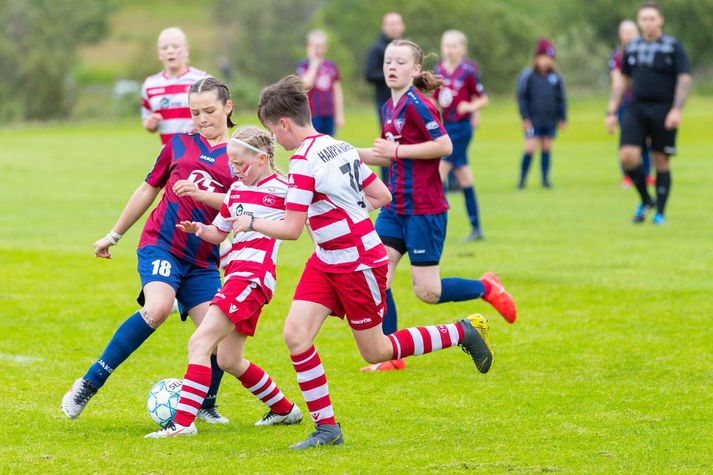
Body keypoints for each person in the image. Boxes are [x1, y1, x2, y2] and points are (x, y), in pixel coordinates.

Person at [229, 74, 494, 450]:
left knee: (377, 350)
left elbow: (290, 229)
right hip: (326, 260)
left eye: (273, 131)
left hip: (358, 264)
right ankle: (327, 429)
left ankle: (462, 331)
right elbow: (381, 194)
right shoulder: (337, 146)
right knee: (296, 335)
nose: (274, 140)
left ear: (284, 124)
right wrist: (349, 210)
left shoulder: (304, 161)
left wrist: (251, 221)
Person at [61, 78, 236, 424]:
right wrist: (113, 235)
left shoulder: (240, 155)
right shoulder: (178, 144)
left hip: (202, 261)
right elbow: (147, 189)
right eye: (195, 112)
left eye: (210, 111)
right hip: (161, 245)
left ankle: (205, 403)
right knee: (157, 308)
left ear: (228, 107)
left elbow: (242, 206)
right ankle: (89, 383)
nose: (201, 119)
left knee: (217, 335)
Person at [358, 40, 516, 372]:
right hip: (395, 206)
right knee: (378, 277)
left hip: (424, 208)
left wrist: (397, 153)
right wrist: (337, 151)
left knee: (427, 292)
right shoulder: (390, 107)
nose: (392, 67)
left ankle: (486, 287)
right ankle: (393, 356)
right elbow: (383, 153)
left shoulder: (418, 104)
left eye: (400, 62)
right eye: (388, 61)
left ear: (415, 69)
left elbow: (444, 145)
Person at [145, 126, 303, 438]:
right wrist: (199, 229)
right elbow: (220, 232)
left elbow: (299, 223)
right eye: (231, 164)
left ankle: (182, 424)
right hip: (235, 277)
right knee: (229, 359)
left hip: (252, 277)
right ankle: (285, 410)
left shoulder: (285, 190)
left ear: (262, 158)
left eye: (240, 164)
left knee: (199, 343)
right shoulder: (236, 191)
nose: (234, 170)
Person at [605, 2, 691, 225]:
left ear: (660, 20)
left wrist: (677, 109)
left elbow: (684, 78)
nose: (648, 22)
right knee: (628, 156)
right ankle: (645, 199)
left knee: (661, 159)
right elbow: (622, 80)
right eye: (643, 19)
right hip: (636, 107)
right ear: (639, 21)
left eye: (652, 18)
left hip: (663, 109)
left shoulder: (673, 47)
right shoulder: (631, 48)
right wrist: (611, 111)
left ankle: (660, 212)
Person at [433, 30, 489, 242]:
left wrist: (470, 106)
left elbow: (483, 99)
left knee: (438, 174)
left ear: (462, 49)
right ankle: (476, 228)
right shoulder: (438, 70)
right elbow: (437, 100)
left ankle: (437, 225)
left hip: (461, 129)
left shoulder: (468, 72)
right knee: (465, 177)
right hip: (446, 128)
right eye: (446, 45)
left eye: (454, 46)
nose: (450, 50)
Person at [141, 27, 209, 144]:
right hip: (169, 155)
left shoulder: (202, 80)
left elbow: (219, 115)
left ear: (186, 50)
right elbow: (147, 118)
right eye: (164, 47)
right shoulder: (150, 84)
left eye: (176, 46)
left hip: (200, 152)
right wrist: (150, 124)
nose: (170, 51)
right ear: (159, 53)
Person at [516, 38, 567, 189]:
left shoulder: (556, 77)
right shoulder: (528, 76)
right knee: (530, 148)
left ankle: (545, 180)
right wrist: (525, 118)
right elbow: (522, 98)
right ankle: (522, 180)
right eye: (543, 58)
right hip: (533, 120)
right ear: (536, 58)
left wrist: (562, 118)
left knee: (546, 148)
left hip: (549, 120)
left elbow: (561, 99)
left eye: (549, 59)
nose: (546, 62)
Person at [608, 20, 653, 188]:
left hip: (645, 101)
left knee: (647, 141)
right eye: (626, 32)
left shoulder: (647, 52)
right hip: (626, 102)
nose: (629, 35)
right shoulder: (617, 56)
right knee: (627, 141)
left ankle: (647, 175)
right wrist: (611, 109)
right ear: (621, 34)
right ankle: (627, 176)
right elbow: (617, 81)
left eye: (632, 32)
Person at [365, 12, 405, 181]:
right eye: (390, 23)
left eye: (396, 23)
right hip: (385, 102)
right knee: (389, 141)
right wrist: (393, 74)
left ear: (403, 26)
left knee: (406, 140)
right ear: (384, 26)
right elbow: (369, 74)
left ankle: (403, 178)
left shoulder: (407, 48)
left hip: (405, 101)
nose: (394, 27)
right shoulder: (377, 49)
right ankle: (389, 183)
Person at [296, 30, 345, 136]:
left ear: (326, 47)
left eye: (320, 46)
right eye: (315, 46)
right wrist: (314, 63)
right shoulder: (304, 65)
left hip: (329, 113)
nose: (318, 49)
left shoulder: (331, 66)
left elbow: (337, 92)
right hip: (311, 113)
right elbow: (306, 84)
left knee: (329, 142)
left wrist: (339, 115)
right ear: (309, 46)